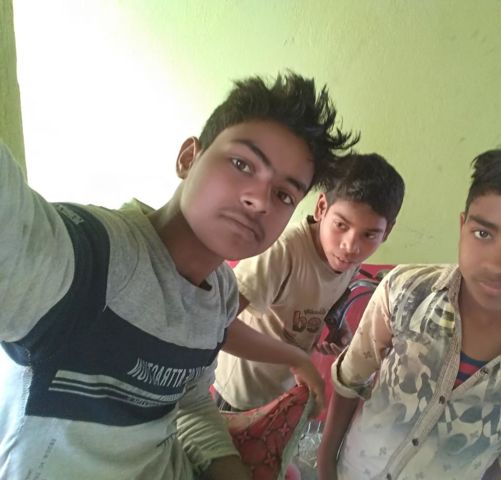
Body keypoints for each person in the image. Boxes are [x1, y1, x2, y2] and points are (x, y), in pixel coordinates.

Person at [0, 72, 358, 480]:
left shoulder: (220, 294)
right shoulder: (90, 258)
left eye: (284, 195)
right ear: (189, 158)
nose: (259, 201)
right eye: (242, 164)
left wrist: (227, 466)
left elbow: (187, 400)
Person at [318, 141, 501, 480]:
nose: (497, 264)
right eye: (483, 233)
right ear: (463, 228)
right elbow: (350, 377)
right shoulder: (404, 290)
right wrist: (326, 464)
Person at [213, 152, 405, 411]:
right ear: (321, 208)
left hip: (282, 391)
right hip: (240, 394)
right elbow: (215, 325)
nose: (351, 246)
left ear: (387, 231)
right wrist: (297, 359)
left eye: (369, 235)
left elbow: (326, 294)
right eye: (341, 225)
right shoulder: (282, 252)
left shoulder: (346, 259)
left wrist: (336, 325)